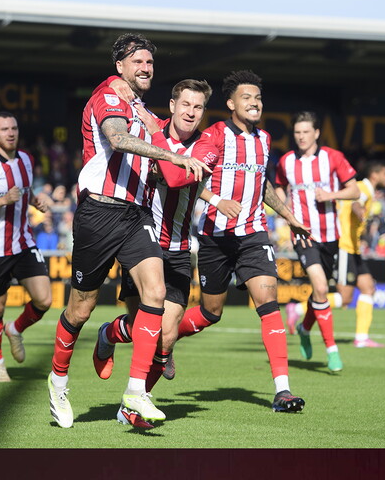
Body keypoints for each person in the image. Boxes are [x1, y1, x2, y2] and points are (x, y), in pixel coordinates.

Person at [46, 33, 211, 429]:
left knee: (155, 291)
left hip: (136, 216)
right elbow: (118, 140)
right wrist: (170, 152)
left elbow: (162, 141)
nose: (145, 68)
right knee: (80, 308)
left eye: (150, 63)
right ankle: (57, 379)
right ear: (119, 65)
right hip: (99, 212)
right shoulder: (108, 98)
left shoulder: (140, 105)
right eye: (138, 61)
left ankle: (136, 392)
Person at [89, 78, 242, 428]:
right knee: (150, 326)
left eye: (198, 107)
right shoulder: (142, 129)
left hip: (178, 249)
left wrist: (154, 131)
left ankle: (128, 396)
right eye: (185, 104)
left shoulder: (205, 145)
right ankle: (117, 354)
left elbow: (176, 178)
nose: (191, 112)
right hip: (140, 242)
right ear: (173, 106)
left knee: (166, 337)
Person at [171, 70, 313, 413]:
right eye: (247, 97)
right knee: (210, 312)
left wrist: (290, 217)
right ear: (231, 103)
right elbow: (189, 174)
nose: (255, 103)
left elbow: (263, 185)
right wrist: (216, 200)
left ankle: (282, 391)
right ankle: (168, 339)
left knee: (268, 304)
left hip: (253, 234)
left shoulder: (264, 139)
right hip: (215, 237)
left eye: (258, 98)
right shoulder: (216, 135)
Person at [0, 111, 54, 382]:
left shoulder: (26, 159)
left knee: (45, 299)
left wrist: (36, 201)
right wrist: (3, 200)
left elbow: (25, 193)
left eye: (14, 127)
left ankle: (14, 329)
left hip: (24, 241)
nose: (10, 133)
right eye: (4, 129)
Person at [273, 111, 360, 372]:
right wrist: (285, 207)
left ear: (317, 133)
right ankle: (332, 350)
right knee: (321, 287)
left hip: (331, 236)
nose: (300, 137)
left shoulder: (333, 157)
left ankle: (304, 327)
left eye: (305, 132)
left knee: (319, 292)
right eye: (297, 132)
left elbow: (354, 190)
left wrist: (331, 194)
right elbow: (278, 186)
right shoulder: (287, 161)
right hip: (303, 235)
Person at [335, 159, 385, 348]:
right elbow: (355, 205)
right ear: (375, 175)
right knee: (344, 299)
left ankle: (361, 338)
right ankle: (298, 310)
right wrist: (361, 213)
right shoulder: (363, 189)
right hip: (344, 245)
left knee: (368, 288)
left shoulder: (366, 189)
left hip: (354, 247)